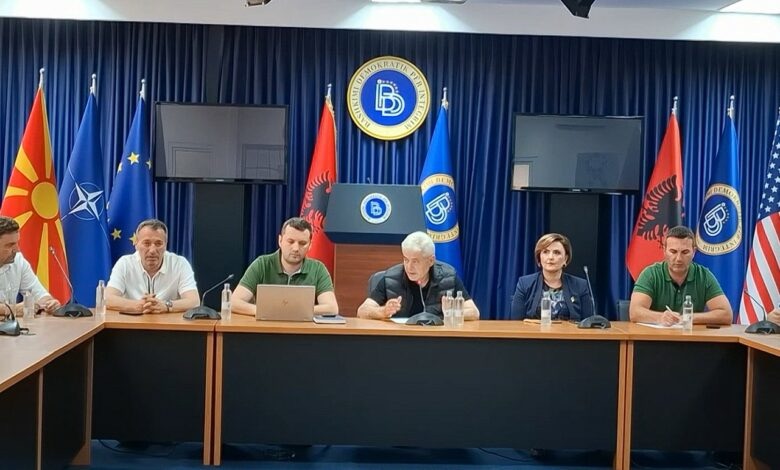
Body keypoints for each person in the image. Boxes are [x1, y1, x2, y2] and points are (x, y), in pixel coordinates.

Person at [357, 231, 479, 320]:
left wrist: (451, 312)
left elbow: (474, 312)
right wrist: (383, 311)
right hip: (400, 340)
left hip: (437, 340)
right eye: (406, 260)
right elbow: (362, 311)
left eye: (415, 261)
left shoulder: (448, 277)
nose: (409, 267)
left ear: (431, 261)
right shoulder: (391, 278)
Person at [231, 217, 338, 316]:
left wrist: (290, 311)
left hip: (302, 329)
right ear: (280, 241)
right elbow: (234, 302)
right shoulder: (262, 264)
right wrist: (265, 311)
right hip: (267, 327)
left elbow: (332, 308)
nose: (296, 248)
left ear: (310, 245)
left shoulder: (318, 269)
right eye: (290, 242)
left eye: (302, 243)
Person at [629, 225, 732, 326]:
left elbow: (726, 315)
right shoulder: (651, 274)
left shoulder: (704, 276)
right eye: (673, 252)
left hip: (691, 336)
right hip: (655, 336)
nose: (678, 258)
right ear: (664, 250)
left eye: (685, 252)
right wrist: (660, 317)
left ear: (694, 252)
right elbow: (634, 312)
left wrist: (690, 317)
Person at [105, 219, 199, 314]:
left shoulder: (179, 263)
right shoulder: (125, 263)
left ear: (165, 245)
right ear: (136, 244)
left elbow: (194, 302)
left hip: (167, 322)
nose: (152, 250)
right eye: (146, 243)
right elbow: (107, 298)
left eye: (158, 244)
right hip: (132, 322)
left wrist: (166, 305)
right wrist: (139, 305)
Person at [510, 233, 592, 321]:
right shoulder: (525, 284)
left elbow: (588, 323)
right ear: (539, 257)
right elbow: (516, 322)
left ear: (565, 258)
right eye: (545, 252)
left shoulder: (580, 285)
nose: (550, 257)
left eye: (556, 252)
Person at [0, 215, 61, 315]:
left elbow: (39, 295)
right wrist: (11, 309)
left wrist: (49, 303)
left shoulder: (18, 260)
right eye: (10, 245)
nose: (17, 249)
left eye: (17, 243)